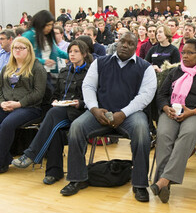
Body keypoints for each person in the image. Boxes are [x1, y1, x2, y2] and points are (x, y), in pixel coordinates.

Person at [60, 31, 156, 202]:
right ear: (117, 43)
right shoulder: (100, 62)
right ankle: (77, 179)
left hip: (130, 115)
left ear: (136, 47)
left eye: (130, 43)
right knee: (77, 127)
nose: (125, 45)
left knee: (142, 131)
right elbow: (88, 86)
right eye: (123, 42)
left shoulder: (145, 68)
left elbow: (145, 96)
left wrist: (123, 113)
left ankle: (139, 184)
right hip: (100, 113)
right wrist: (94, 108)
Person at [12, 40, 94, 184]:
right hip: (62, 111)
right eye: (70, 51)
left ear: (84, 53)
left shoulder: (91, 73)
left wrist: (79, 103)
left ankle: (32, 154)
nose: (72, 54)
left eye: (76, 51)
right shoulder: (64, 71)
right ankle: (53, 172)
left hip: (80, 113)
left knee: (52, 115)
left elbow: (95, 97)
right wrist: (55, 101)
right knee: (55, 129)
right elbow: (56, 94)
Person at [150, 38, 196, 202]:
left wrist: (193, 111)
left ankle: (162, 181)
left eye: (190, 53)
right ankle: (164, 184)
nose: (185, 56)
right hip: (173, 111)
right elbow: (161, 94)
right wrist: (166, 108)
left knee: (187, 134)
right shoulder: (175, 72)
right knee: (164, 134)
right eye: (183, 52)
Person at [0, 37, 48, 177]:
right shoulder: (7, 67)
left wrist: (19, 103)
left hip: (29, 107)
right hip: (6, 105)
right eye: (15, 48)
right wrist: (1, 103)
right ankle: (5, 159)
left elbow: (38, 93)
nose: (18, 50)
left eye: (21, 48)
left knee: (7, 124)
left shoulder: (37, 67)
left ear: (29, 50)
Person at [23, 10, 69, 80]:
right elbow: (24, 56)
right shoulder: (29, 35)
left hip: (49, 73)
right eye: (47, 25)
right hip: (34, 74)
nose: (50, 28)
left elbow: (57, 51)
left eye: (51, 25)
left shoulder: (47, 35)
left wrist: (70, 56)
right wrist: (43, 61)